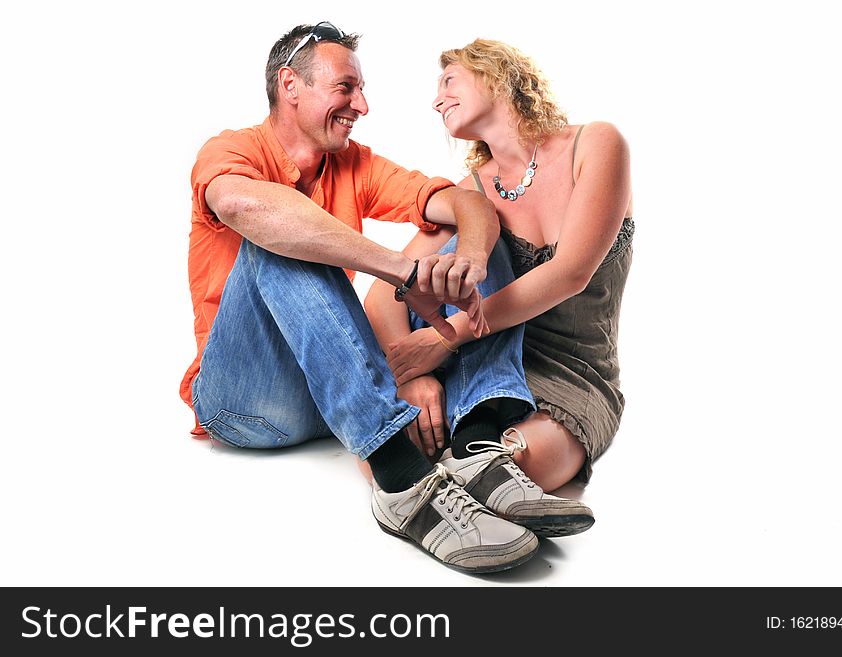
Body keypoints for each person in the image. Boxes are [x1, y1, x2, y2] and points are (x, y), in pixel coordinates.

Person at [180, 23, 550, 574]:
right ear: (291, 85)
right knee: (279, 237)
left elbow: (466, 203)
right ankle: (400, 480)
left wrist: (465, 264)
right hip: (241, 402)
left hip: (326, 398)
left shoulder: (356, 163)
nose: (363, 105)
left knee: (475, 238)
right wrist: (406, 274)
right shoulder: (230, 149)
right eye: (346, 87)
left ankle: (478, 442)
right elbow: (243, 206)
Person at [364, 38, 633, 501]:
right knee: (464, 246)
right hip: (483, 364)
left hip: (572, 370)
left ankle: (461, 475)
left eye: (449, 80)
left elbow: (570, 273)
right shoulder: (472, 194)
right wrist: (414, 374)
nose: (436, 99)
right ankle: (437, 463)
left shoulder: (595, 143)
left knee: (519, 468)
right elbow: (383, 294)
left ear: (495, 73)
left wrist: (441, 336)